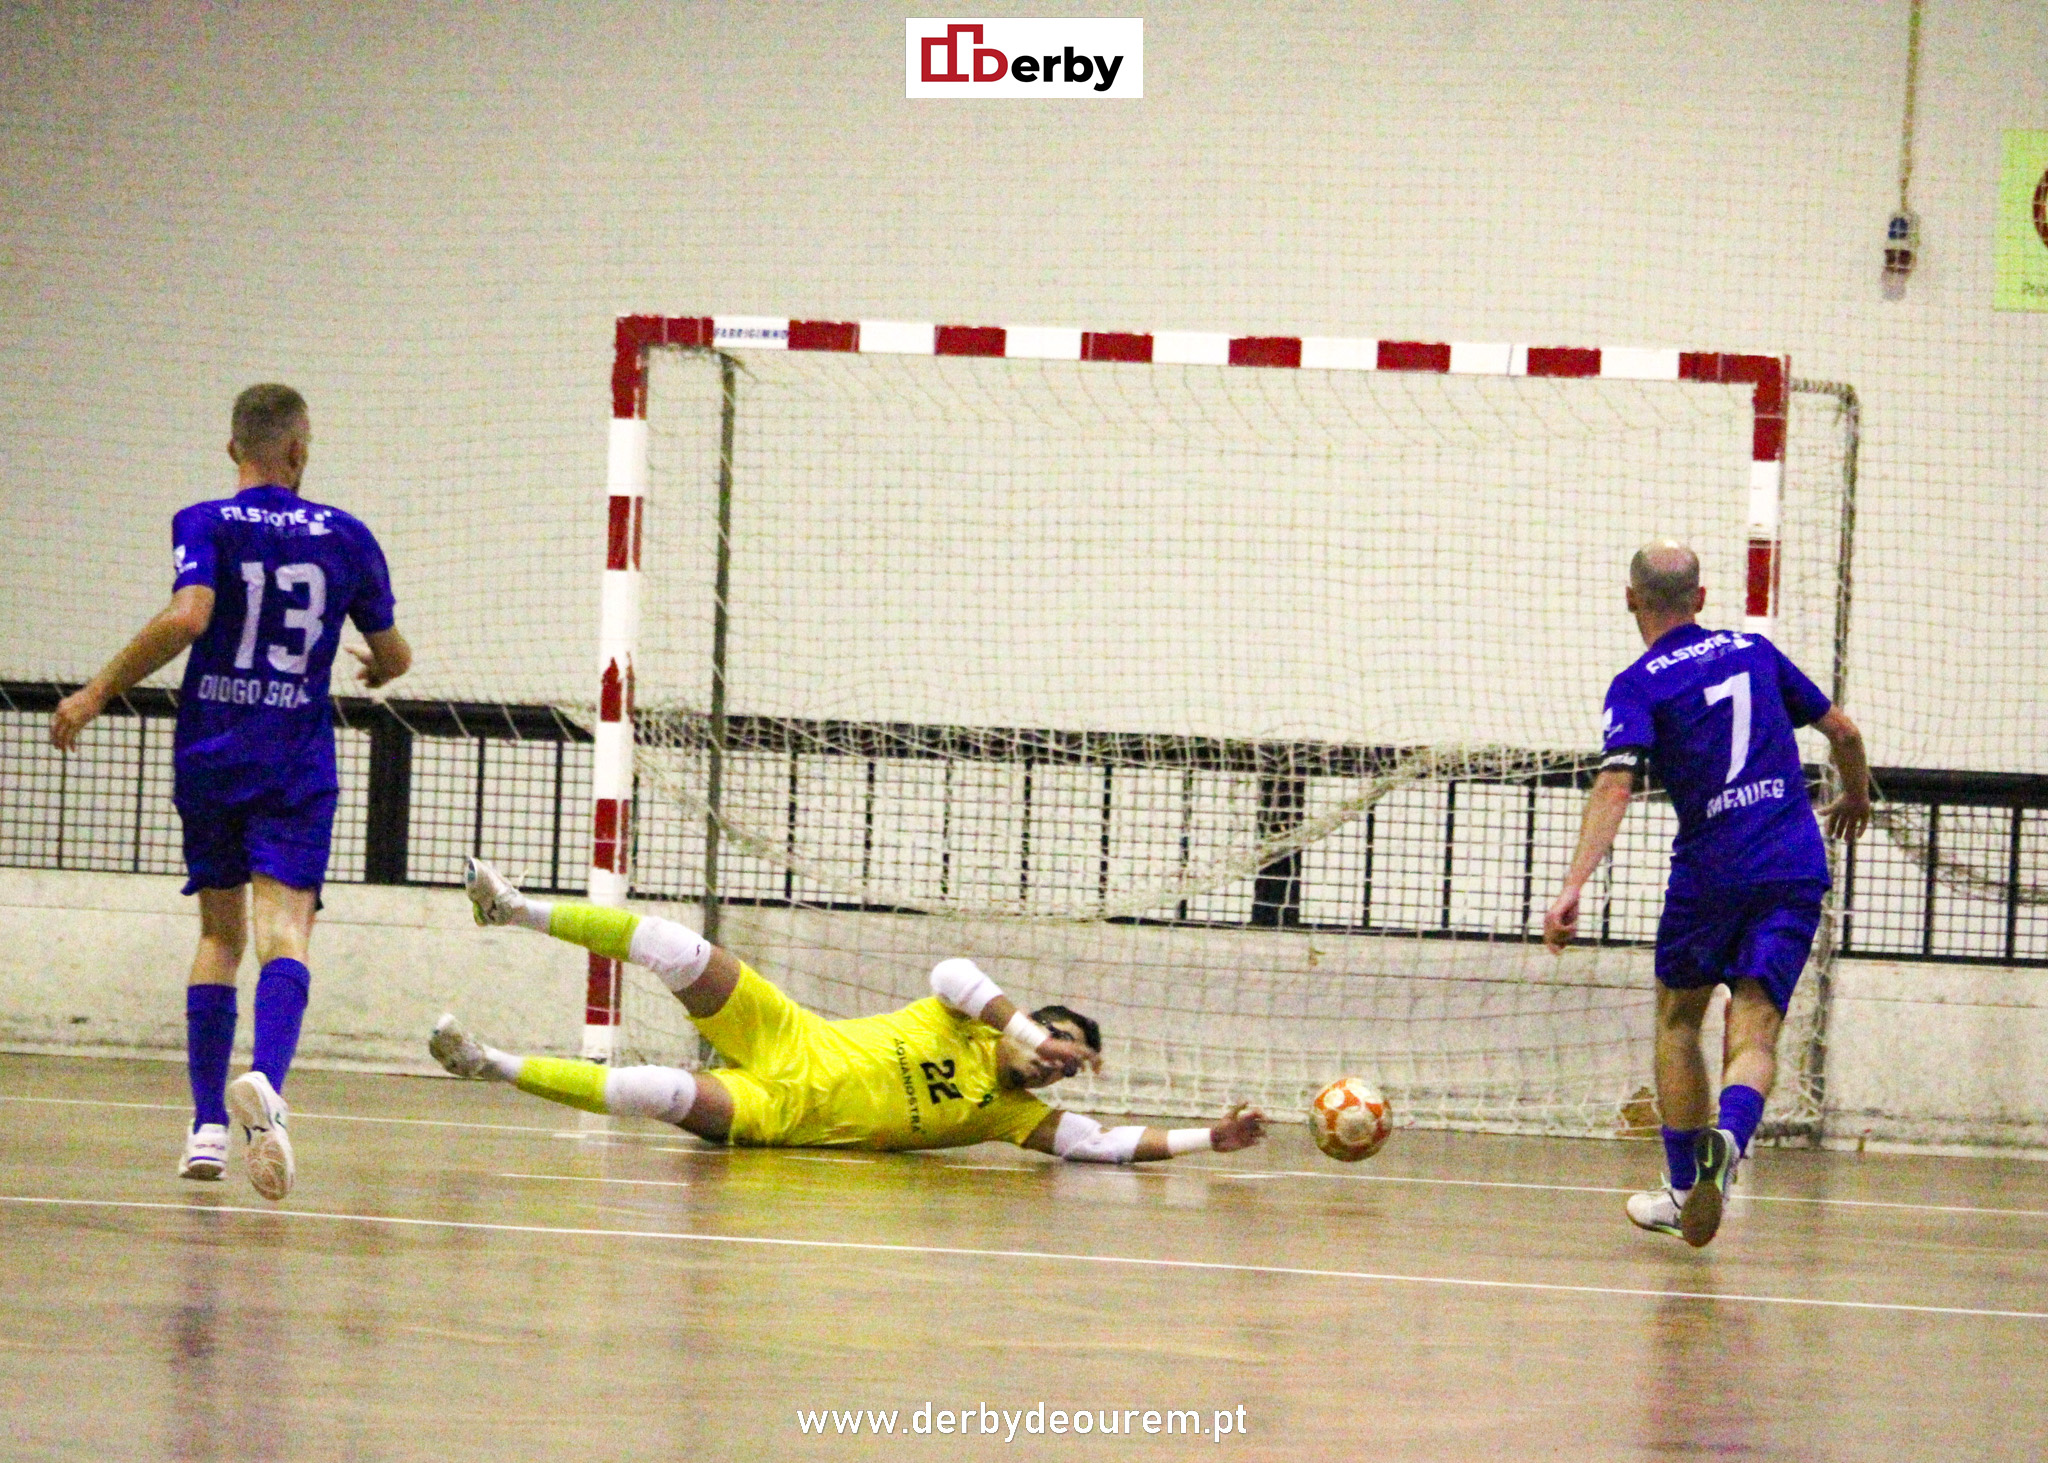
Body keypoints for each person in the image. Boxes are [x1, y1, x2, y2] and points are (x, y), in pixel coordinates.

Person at [50, 384, 411, 1200]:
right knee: (285, 930)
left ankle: (206, 1127)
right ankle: (269, 1093)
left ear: (232, 452)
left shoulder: (203, 519)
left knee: (218, 935)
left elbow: (189, 618)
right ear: (300, 451)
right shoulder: (347, 536)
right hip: (293, 760)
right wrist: (380, 666)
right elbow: (392, 652)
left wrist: (98, 689)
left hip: (211, 753)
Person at [431, 858, 1268, 1164]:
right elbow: (954, 968)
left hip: (785, 1112)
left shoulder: (1007, 1116)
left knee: (661, 1089)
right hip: (789, 1031)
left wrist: (1208, 1137)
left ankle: (490, 1064)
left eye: (1069, 1057)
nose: (1058, 1059)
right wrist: (1026, 1028)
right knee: (678, 947)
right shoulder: (966, 1015)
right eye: (1061, 1041)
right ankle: (513, 910)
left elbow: (1107, 1143)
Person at [1543, 540, 1869, 1247]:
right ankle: (1732, 1135)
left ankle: (1684, 1181)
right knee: (1755, 1024)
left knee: (1678, 1020)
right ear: (1701, 597)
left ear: (1631, 598)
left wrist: (1573, 885)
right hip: (1792, 860)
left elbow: (1616, 783)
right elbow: (1841, 729)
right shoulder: (1753, 649)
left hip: (1711, 869)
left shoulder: (1637, 684)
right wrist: (1856, 793)